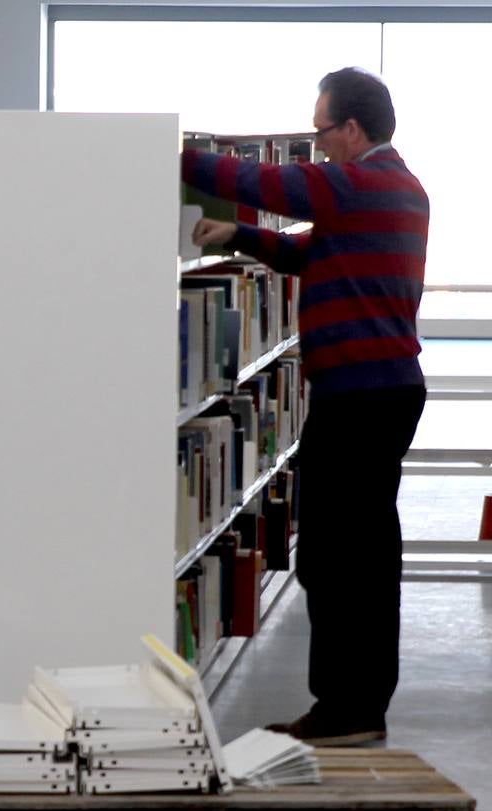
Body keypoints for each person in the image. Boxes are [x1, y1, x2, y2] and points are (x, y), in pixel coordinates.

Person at [182, 67, 428, 747]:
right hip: (382, 391)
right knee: (364, 555)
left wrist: (174, 156)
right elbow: (310, 254)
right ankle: (360, 705)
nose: (317, 147)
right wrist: (235, 238)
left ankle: (345, 710)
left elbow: (272, 185)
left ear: (352, 129)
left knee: (335, 556)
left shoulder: (360, 183)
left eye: (321, 132)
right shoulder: (395, 189)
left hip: (361, 396)